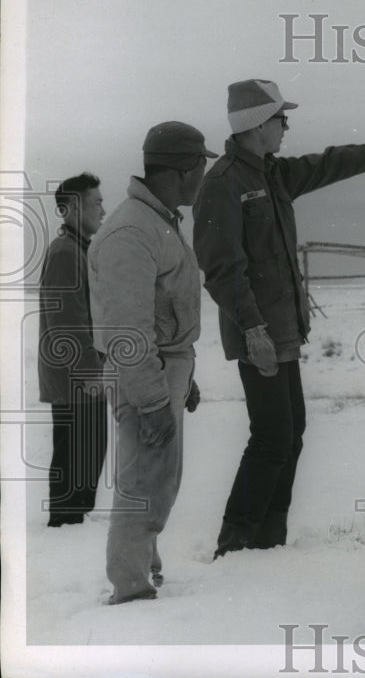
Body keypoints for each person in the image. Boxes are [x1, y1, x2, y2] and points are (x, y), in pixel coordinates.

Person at [193, 79, 365, 558]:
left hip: (282, 330)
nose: (286, 126)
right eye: (281, 118)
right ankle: (235, 543)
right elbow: (222, 270)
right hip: (258, 333)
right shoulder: (223, 185)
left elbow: (329, 163)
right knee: (272, 437)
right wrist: (253, 329)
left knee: (291, 434)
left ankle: (268, 541)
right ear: (257, 124)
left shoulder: (273, 174)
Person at [89, 122, 217, 604]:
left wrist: (184, 377)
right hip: (145, 372)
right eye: (201, 166)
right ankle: (130, 590)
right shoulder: (132, 231)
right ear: (183, 170)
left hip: (163, 368)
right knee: (145, 483)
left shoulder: (156, 220)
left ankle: (145, 572)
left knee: (155, 478)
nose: (203, 175)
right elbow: (128, 331)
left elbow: (164, 308)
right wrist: (152, 399)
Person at [38, 173, 108, 527]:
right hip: (75, 381)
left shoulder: (78, 249)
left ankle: (69, 527)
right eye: (97, 203)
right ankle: (64, 531)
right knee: (75, 467)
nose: (103, 211)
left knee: (86, 461)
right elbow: (67, 323)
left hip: (82, 379)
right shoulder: (65, 252)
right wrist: (91, 374)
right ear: (75, 208)